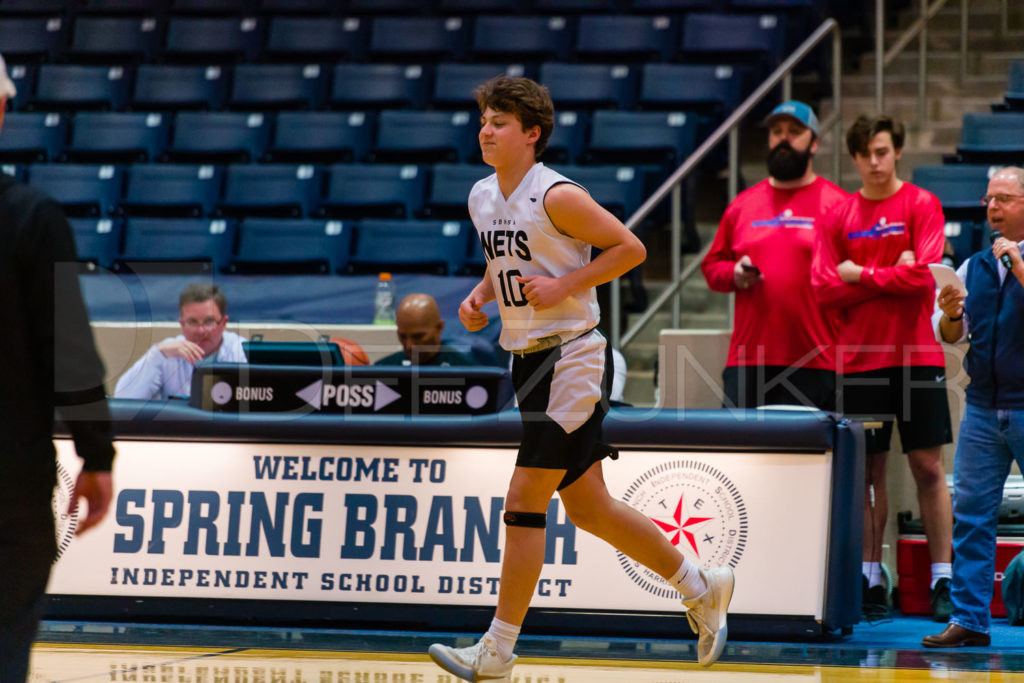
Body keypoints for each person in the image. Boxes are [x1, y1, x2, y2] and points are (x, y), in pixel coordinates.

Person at [426, 76, 734, 681]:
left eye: (499, 123)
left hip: (571, 356)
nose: (485, 130)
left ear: (531, 134)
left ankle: (498, 650)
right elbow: (506, 260)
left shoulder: (557, 195)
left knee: (523, 500)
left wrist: (567, 285)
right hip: (525, 360)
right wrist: (481, 295)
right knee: (590, 507)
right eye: (484, 120)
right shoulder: (481, 196)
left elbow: (631, 248)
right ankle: (702, 584)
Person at [0, 53, 116, 682]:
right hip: (7, 487)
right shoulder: (31, 218)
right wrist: (97, 455)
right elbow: (66, 347)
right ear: (2, 109)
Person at [811, 114, 953, 623]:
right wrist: (898, 268)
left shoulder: (922, 204)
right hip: (859, 362)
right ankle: (871, 579)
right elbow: (824, 290)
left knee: (928, 468)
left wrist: (862, 274)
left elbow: (927, 281)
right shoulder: (837, 214)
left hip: (917, 358)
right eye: (866, 153)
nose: (875, 161)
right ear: (853, 158)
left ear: (898, 153)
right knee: (869, 474)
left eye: (883, 151)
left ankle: (943, 580)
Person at [923, 167, 1024, 648]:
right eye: (988, 199)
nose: (991, 207)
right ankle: (970, 619)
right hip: (983, 405)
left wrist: (1020, 268)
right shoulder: (974, 266)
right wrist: (952, 313)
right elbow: (951, 338)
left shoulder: (1009, 262)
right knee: (972, 515)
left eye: (1003, 198)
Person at [701, 100, 848, 410]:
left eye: (795, 132)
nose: (784, 138)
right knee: (738, 456)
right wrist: (735, 274)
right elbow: (712, 267)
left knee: (814, 458)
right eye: (777, 131)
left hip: (818, 359)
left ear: (814, 143)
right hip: (749, 360)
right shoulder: (743, 205)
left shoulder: (839, 205)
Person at [114, 283, 246, 400]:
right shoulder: (167, 352)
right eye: (192, 322)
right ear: (182, 324)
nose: (200, 331)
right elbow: (122, 398)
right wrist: (157, 354)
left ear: (223, 323)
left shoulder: (241, 351)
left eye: (209, 321)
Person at [374, 293, 474, 367]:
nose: (409, 346)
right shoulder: (382, 370)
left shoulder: (466, 370)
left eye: (418, 336)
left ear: (439, 327)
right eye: (403, 336)